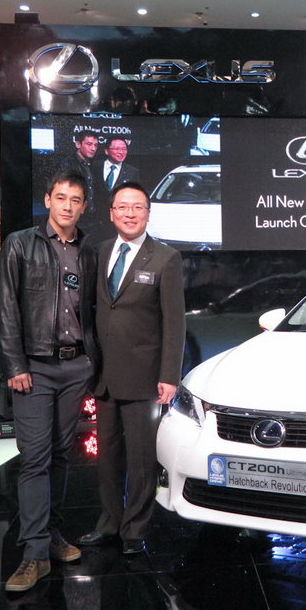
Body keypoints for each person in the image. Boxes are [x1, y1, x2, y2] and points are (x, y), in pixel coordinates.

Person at [0, 170, 100, 592]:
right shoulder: (20, 244)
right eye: (61, 197)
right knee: (34, 458)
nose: (68, 205)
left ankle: (52, 534)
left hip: (75, 367)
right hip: (34, 367)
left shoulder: (88, 252)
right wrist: (14, 364)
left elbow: (92, 311)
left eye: (76, 199)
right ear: (48, 200)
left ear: (84, 206)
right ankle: (34, 553)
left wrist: (91, 362)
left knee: (59, 455)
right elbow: (4, 308)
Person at [78, 182, 184, 555]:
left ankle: (135, 529)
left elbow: (175, 322)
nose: (130, 213)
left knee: (141, 459)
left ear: (148, 213)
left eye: (137, 207)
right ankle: (109, 522)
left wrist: (169, 375)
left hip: (145, 376)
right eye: (122, 207)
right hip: (104, 375)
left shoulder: (166, 258)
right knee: (106, 457)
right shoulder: (99, 253)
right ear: (111, 213)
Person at [93, 137, 141, 219]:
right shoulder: (95, 166)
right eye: (117, 149)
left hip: (119, 217)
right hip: (95, 218)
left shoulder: (132, 172)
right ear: (106, 151)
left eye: (124, 149)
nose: (121, 152)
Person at [59, 130, 99, 214]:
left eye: (95, 145)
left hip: (92, 214)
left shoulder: (94, 164)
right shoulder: (67, 164)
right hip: (74, 212)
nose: (93, 148)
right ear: (78, 144)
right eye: (89, 144)